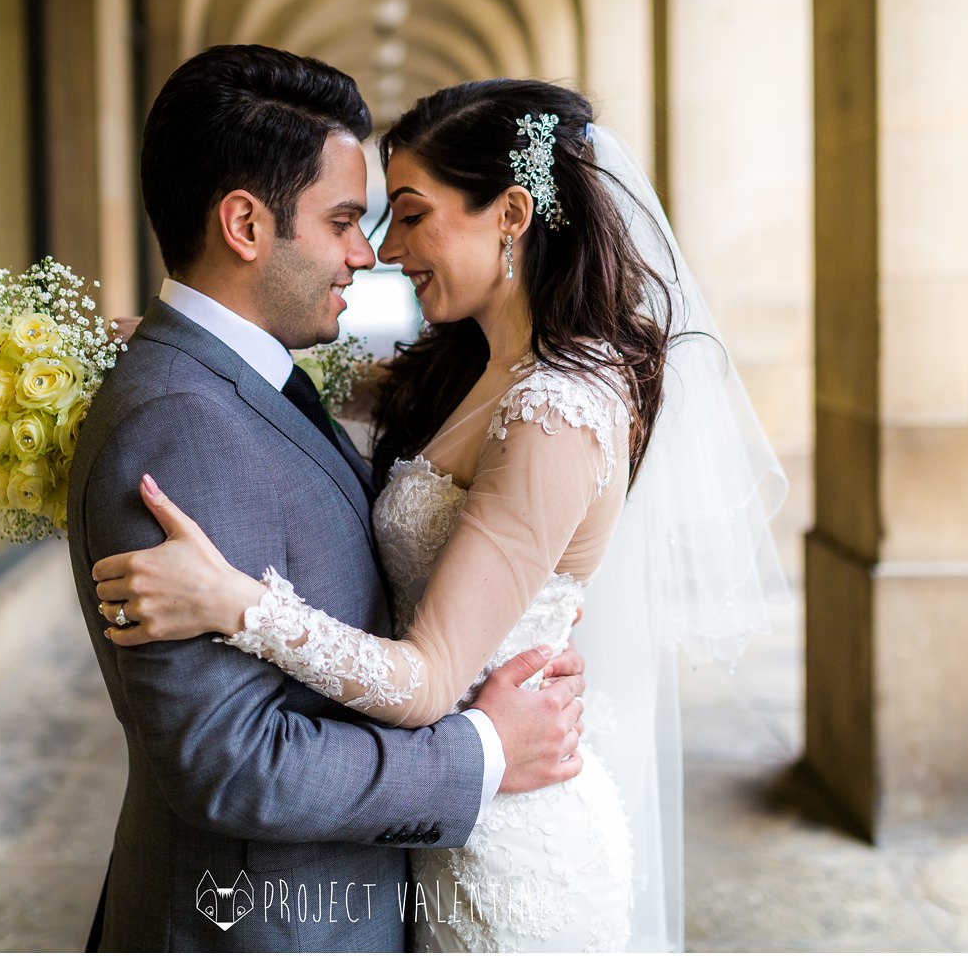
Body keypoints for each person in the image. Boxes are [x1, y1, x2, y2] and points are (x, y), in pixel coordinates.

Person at [95, 79, 791, 951]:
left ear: (510, 213)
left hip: (514, 849)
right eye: (361, 220)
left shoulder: (557, 411)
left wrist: (236, 602)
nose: (385, 250)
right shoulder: (459, 370)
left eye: (410, 215)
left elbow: (425, 681)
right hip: (435, 825)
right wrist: (166, 341)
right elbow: (282, 377)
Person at [65, 48, 588, 952]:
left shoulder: (249, 374)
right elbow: (231, 763)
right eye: (344, 220)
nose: (368, 254)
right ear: (244, 224)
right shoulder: (178, 423)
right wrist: (484, 751)